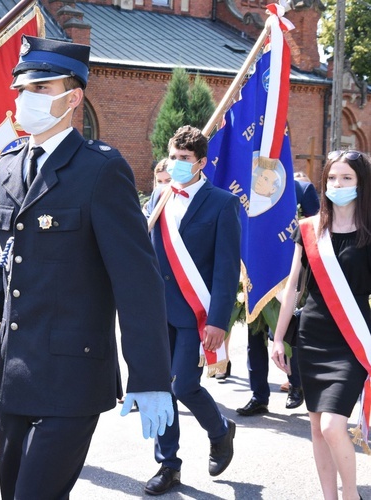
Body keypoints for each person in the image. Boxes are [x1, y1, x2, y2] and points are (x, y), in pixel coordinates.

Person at [0, 35, 174, 499]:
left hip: (75, 374)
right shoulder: (5, 168)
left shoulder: (100, 169)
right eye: (21, 89)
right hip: (15, 373)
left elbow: (137, 282)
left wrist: (151, 376)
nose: (24, 99)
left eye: (40, 88)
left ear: (72, 98)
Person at [143, 125, 241, 495]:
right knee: (159, 389)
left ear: (201, 162)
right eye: (173, 157)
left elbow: (226, 268)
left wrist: (218, 320)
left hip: (194, 313)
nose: (176, 164)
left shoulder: (222, 203)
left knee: (183, 385)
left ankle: (220, 430)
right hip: (157, 312)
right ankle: (168, 466)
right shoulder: (159, 198)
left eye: (185, 159)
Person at [272, 150, 371, 500]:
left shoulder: (370, 232)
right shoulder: (310, 229)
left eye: (346, 178)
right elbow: (294, 286)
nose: (337, 184)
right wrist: (279, 337)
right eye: (332, 178)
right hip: (312, 335)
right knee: (316, 426)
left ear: (361, 184)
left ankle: (350, 495)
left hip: (352, 337)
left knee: (333, 425)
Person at [237, 173, 321, 416]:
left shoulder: (301, 189)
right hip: (255, 271)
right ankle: (259, 395)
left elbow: (314, 228)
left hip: (289, 272)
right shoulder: (246, 187)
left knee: (287, 333)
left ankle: (296, 385)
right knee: (255, 337)